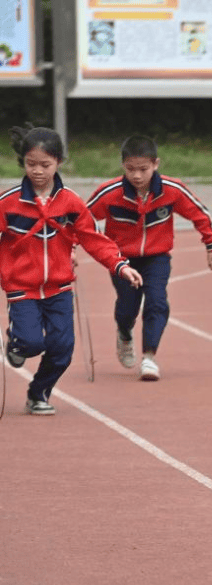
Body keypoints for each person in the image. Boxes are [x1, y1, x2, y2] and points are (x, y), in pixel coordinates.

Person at [1, 125, 143, 415]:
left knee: (62, 348)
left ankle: (38, 394)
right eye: (31, 164)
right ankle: (16, 344)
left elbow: (93, 239)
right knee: (31, 342)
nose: (37, 171)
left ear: (58, 162)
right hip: (22, 287)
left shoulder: (71, 202)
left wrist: (120, 265)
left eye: (45, 164)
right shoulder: (9, 202)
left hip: (60, 288)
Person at [87, 135, 212, 381]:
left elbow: (200, 214)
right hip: (122, 260)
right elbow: (82, 219)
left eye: (143, 169)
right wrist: (70, 248)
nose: (137, 176)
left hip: (156, 257)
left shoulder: (172, 190)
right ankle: (124, 333)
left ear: (155, 164)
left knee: (157, 302)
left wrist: (211, 246)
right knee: (128, 307)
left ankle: (149, 357)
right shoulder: (110, 193)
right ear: (123, 165)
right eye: (130, 169)